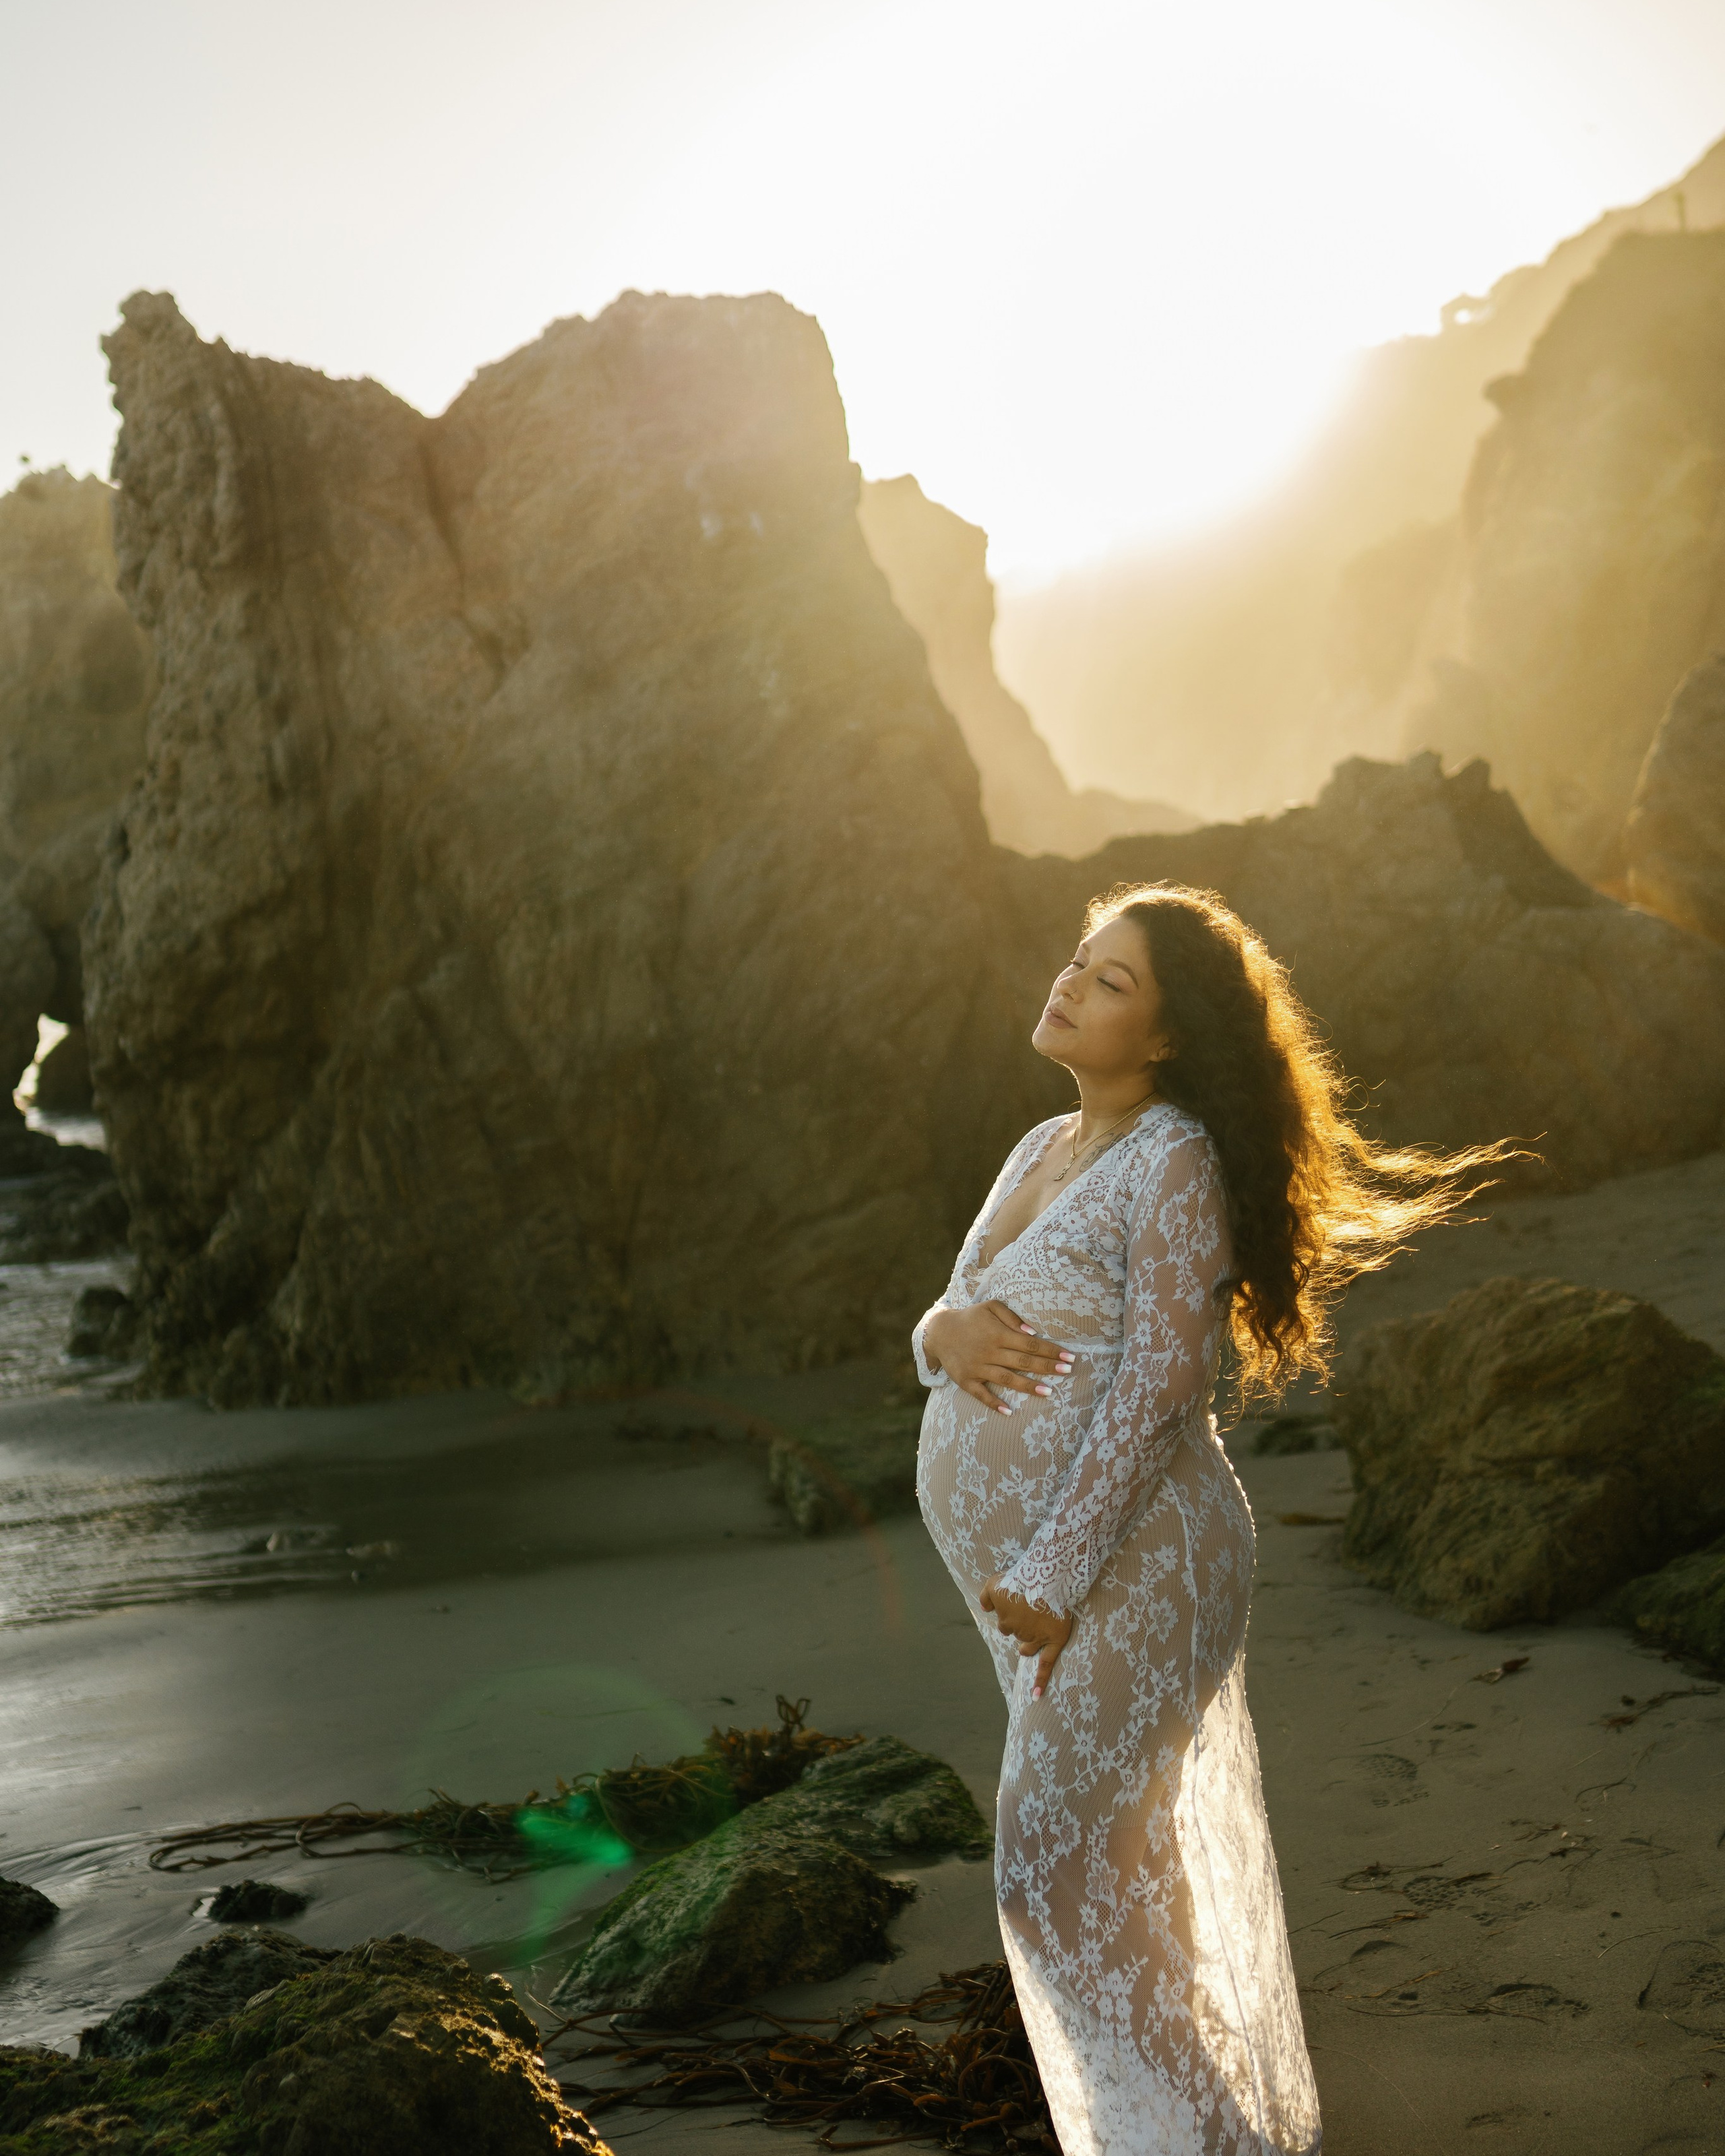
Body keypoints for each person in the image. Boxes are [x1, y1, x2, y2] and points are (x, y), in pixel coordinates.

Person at [914, 881, 1504, 2156]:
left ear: (1170, 1037)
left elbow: (1167, 1378)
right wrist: (934, 1334)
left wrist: (1062, 1569)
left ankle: (1205, 2141)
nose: (1070, 982)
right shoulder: (1036, 1148)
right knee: (1120, 1879)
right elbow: (955, 1315)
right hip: (1036, 1586)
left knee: (1050, 1863)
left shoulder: (1172, 1154)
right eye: (1079, 960)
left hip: (1136, 1565)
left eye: (1111, 980)